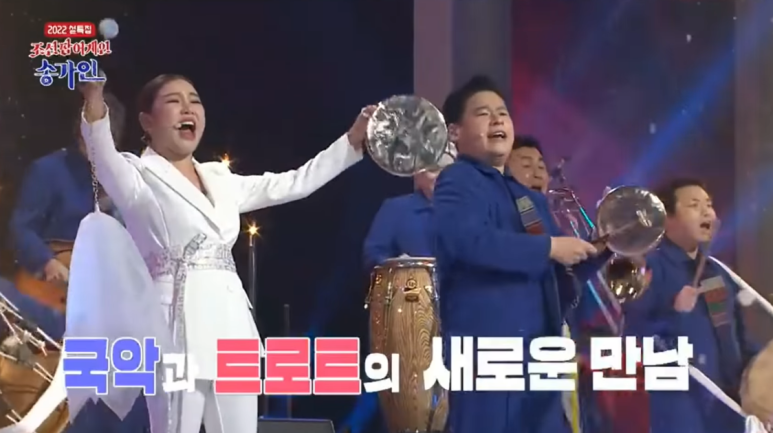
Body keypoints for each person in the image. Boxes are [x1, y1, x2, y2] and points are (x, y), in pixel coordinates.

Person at [76, 74, 371, 433]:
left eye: (195, 101)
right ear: (147, 122)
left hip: (232, 326)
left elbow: (295, 182)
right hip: (175, 326)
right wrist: (94, 95)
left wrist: (350, 142)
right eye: (173, 101)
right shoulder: (137, 175)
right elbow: (101, 153)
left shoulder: (219, 177)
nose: (188, 108)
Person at [432, 75, 613, 433]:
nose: (497, 119)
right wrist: (550, 247)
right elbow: (468, 242)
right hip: (489, 352)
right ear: (455, 132)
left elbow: (558, 276)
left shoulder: (528, 199)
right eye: (483, 113)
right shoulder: (458, 179)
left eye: (502, 112)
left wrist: (605, 249)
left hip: (540, 354)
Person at [7, 95, 147, 433]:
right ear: (78, 127)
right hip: (54, 288)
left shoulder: (125, 177)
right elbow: (21, 227)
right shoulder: (48, 170)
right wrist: (47, 263)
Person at [623, 178, 759, 433]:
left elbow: (736, 334)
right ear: (667, 219)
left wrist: (760, 365)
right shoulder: (650, 269)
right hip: (680, 407)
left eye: (709, 204)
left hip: (729, 403)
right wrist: (674, 313)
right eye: (694, 205)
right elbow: (633, 339)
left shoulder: (716, 271)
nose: (707, 212)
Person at [362, 152, 455, 269]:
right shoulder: (395, 209)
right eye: (433, 170)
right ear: (418, 175)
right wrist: (400, 265)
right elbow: (373, 255)